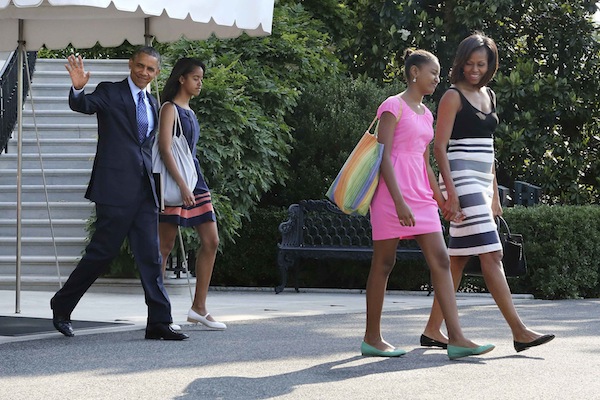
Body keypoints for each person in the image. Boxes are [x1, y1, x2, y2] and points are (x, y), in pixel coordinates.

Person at [422, 33, 554, 352]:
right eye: (469, 63)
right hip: (459, 180)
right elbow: (439, 147)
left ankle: (432, 330)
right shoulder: (452, 96)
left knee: (457, 260)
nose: (474, 69)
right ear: (460, 63)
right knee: (492, 255)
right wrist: (449, 193)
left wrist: (494, 195)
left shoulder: (490, 96)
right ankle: (519, 331)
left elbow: (489, 150)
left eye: (481, 64)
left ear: (490, 64)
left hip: (480, 183)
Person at [362, 48, 494, 360]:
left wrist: (441, 199)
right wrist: (399, 202)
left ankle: (457, 337)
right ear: (414, 73)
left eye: (437, 73)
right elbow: (383, 159)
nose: (437, 78)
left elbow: (423, 160)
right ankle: (372, 337)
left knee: (442, 261)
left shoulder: (426, 113)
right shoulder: (392, 106)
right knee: (384, 264)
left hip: (420, 196)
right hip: (391, 197)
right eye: (432, 72)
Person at [50, 47, 188, 341]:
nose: (144, 72)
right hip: (113, 189)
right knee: (102, 254)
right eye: (140, 66)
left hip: (144, 191)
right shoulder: (110, 92)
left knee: (151, 256)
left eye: (150, 69)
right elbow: (84, 105)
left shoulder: (152, 102)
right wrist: (78, 88)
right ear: (130, 64)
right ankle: (62, 305)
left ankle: (159, 322)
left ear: (157, 73)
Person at [157, 58, 226, 330]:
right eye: (195, 77)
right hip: (177, 184)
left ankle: (199, 308)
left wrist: (190, 184)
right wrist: (183, 186)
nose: (200, 83)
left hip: (195, 180)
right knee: (164, 247)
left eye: (201, 78)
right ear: (181, 79)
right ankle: (159, 311)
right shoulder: (169, 108)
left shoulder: (191, 111)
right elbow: (164, 148)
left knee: (211, 241)